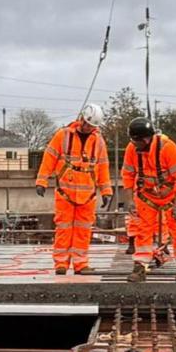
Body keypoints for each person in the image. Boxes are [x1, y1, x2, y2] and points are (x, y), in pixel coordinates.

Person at [36, 105, 113, 275]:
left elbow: (103, 167)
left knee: (83, 230)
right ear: (81, 119)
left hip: (88, 196)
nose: (88, 128)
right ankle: (61, 264)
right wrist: (42, 180)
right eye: (87, 124)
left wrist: (107, 191)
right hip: (65, 194)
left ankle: (80, 263)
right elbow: (49, 158)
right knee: (64, 228)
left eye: (92, 126)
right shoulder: (63, 136)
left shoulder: (98, 142)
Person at [122, 121, 176, 276]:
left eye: (136, 141)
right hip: (146, 196)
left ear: (146, 139)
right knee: (143, 230)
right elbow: (127, 175)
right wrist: (129, 201)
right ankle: (140, 265)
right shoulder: (132, 149)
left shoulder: (168, 148)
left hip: (171, 197)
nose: (133, 144)